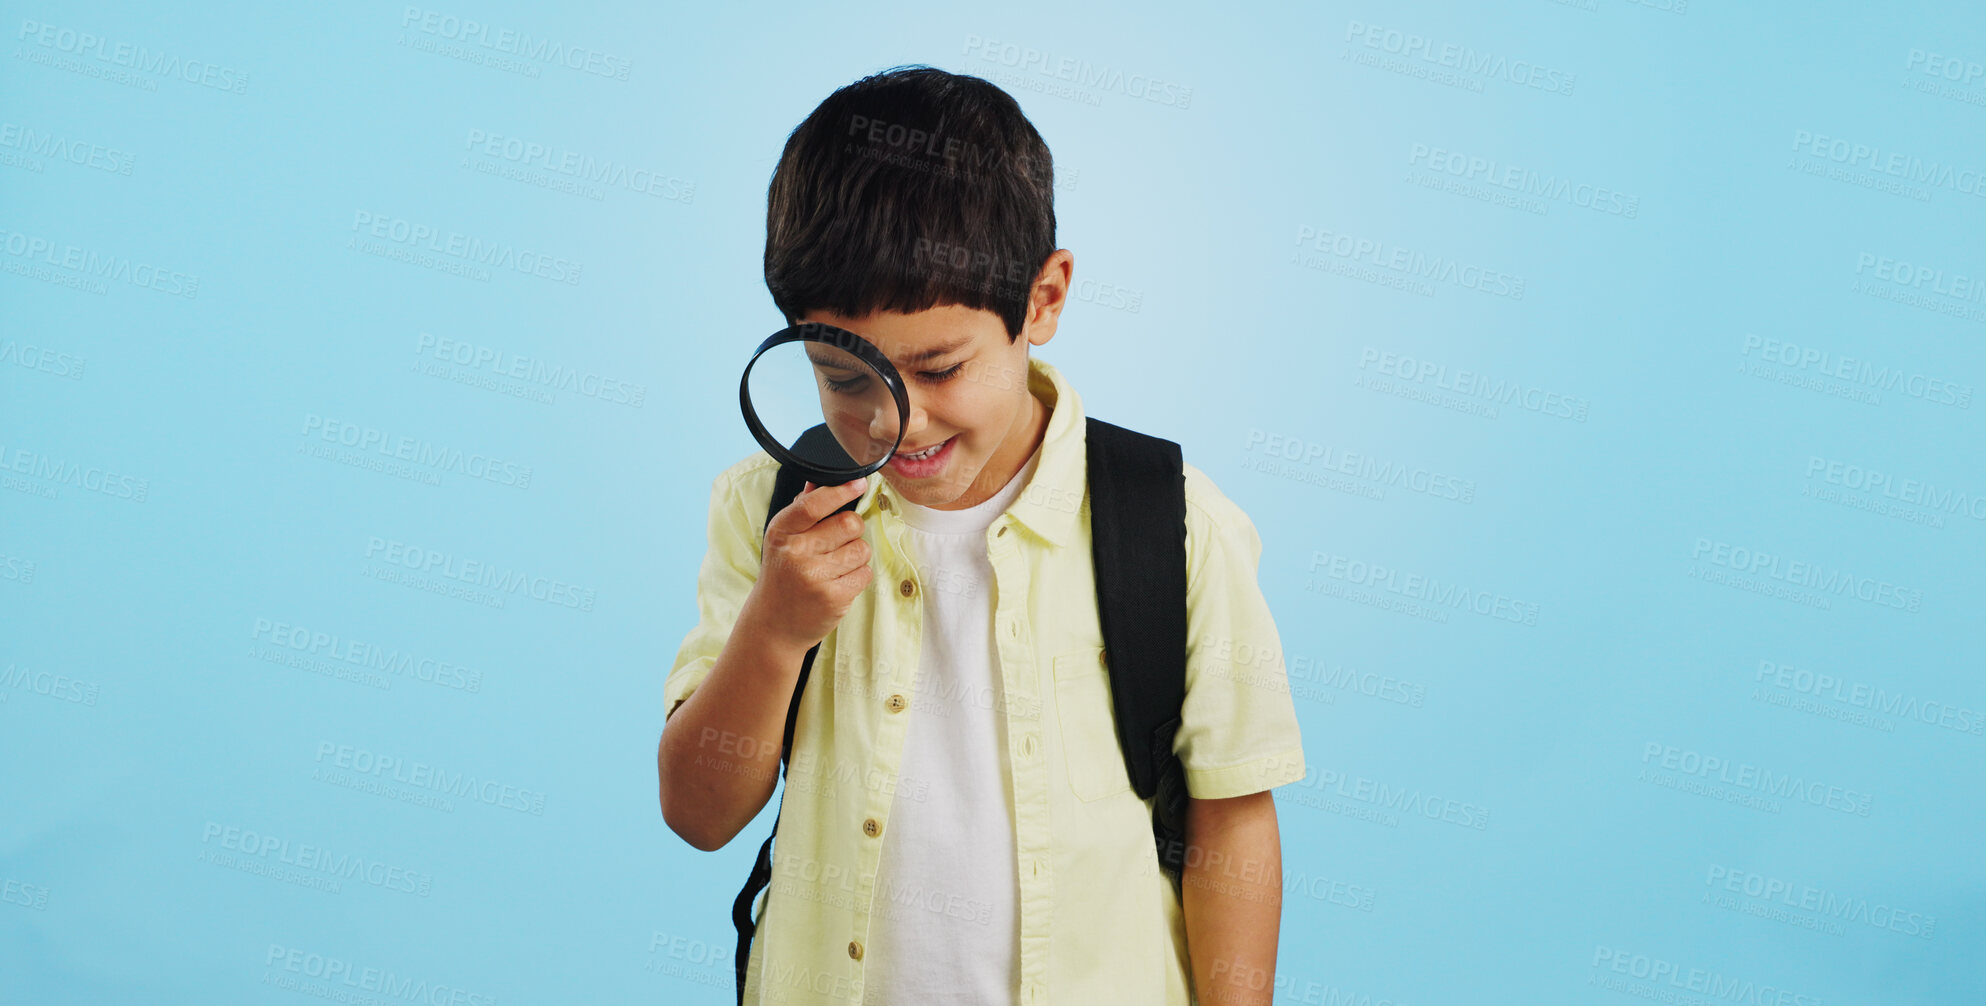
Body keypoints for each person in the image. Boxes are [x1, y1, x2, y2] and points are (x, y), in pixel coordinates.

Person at [658, 64, 1307, 1006]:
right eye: (845, 380)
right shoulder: (768, 509)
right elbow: (698, 814)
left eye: (941, 367)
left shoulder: (1173, 524)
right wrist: (774, 629)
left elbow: (1233, 817)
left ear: (1043, 302)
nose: (900, 421)